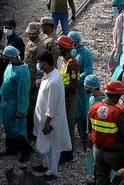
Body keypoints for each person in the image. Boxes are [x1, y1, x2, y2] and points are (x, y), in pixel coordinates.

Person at [33, 52, 71, 181]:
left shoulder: (54, 81)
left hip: (50, 120)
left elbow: (52, 105)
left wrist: (47, 123)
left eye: (40, 63)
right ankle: (45, 165)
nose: (39, 65)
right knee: (44, 143)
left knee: (52, 146)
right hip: (43, 118)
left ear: (46, 63)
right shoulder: (49, 75)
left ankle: (52, 171)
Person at [89, 80, 124, 185]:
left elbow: (89, 129)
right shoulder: (116, 112)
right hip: (113, 154)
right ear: (116, 97)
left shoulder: (94, 107)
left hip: (97, 151)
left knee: (101, 178)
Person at [0, 46, 32, 162]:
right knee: (8, 127)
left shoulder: (22, 71)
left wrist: (21, 109)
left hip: (15, 104)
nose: (4, 58)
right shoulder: (10, 66)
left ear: (12, 57)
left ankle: (26, 150)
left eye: (6, 56)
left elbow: (23, 92)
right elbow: (5, 81)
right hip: (7, 102)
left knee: (17, 129)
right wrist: (0, 94)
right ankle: (11, 148)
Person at [56, 35, 80, 163]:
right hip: (64, 95)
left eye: (59, 47)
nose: (57, 49)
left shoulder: (72, 64)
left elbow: (73, 85)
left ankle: (68, 151)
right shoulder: (64, 61)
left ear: (64, 49)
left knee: (69, 123)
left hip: (70, 97)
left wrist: (59, 88)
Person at [69, 31, 94, 150]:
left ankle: (84, 136)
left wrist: (77, 78)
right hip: (72, 87)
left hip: (81, 88)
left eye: (73, 42)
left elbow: (88, 71)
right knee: (72, 109)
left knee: (82, 110)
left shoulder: (86, 53)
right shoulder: (72, 51)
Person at [83, 75, 106, 177]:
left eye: (86, 87)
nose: (84, 89)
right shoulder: (91, 98)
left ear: (92, 88)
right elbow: (89, 116)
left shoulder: (104, 103)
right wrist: (88, 131)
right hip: (93, 133)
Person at [109, 0, 124, 72]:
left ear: (119, 6)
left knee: (112, 64)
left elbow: (120, 34)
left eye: (114, 7)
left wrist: (118, 50)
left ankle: (115, 79)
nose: (113, 8)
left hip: (120, 45)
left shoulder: (121, 17)